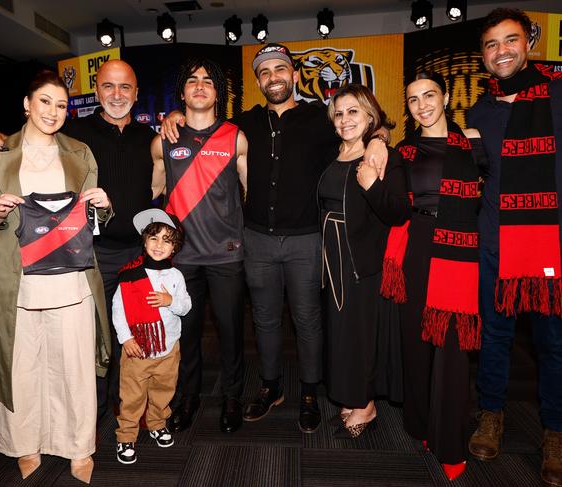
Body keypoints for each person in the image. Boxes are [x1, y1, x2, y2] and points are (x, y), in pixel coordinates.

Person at [161, 43, 389, 433]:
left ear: (294, 75)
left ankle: (308, 392)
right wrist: (177, 114)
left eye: (280, 70)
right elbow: (205, 123)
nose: (273, 78)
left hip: (305, 240)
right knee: (264, 321)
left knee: (307, 320)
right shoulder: (243, 124)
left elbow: (369, 122)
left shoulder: (321, 118)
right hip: (256, 241)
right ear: (258, 81)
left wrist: (380, 138)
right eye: (265, 73)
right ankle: (270, 388)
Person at [0, 59, 159, 420]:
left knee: (135, 330)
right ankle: (96, 411)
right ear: (97, 91)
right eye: (108, 86)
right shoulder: (73, 135)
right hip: (88, 257)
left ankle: (131, 408)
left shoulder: (149, 138)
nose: (116, 94)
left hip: (136, 254)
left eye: (125, 88)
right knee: (90, 341)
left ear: (137, 95)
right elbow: (26, 143)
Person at [467, 9, 562, 487]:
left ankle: (558, 433)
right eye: (491, 44)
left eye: (510, 40)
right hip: (495, 244)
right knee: (493, 338)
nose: (501, 51)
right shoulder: (480, 110)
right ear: (482, 57)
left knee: (555, 344)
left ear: (528, 43)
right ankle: (492, 414)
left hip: (556, 245)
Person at [0, 70, 113, 484]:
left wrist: (103, 206)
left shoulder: (81, 152)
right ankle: (24, 445)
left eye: (61, 104)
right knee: (22, 368)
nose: (53, 111)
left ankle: (78, 447)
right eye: (45, 102)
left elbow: (92, 220)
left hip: (71, 281)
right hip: (18, 282)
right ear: (27, 104)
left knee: (74, 369)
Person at [382, 71, 483, 481]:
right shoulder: (403, 151)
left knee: (454, 344)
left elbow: (495, 190)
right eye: (412, 99)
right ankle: (421, 425)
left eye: (429, 95)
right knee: (416, 341)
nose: (422, 104)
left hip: (459, 245)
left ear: (444, 98)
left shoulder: (472, 140)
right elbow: (391, 205)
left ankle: (450, 441)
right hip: (417, 244)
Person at [151, 58, 248, 434]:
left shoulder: (235, 137)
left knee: (230, 333)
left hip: (227, 255)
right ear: (182, 92)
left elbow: (251, 192)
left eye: (209, 80)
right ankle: (186, 398)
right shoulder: (164, 140)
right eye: (192, 80)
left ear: (217, 92)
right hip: (182, 259)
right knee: (185, 334)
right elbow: (153, 192)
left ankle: (232, 397)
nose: (200, 85)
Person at [319, 84, 410, 439]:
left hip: (362, 261)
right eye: (339, 113)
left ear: (370, 116)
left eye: (353, 111)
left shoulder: (383, 156)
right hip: (331, 258)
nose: (345, 120)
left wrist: (372, 182)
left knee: (360, 335)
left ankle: (366, 404)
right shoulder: (332, 152)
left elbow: (399, 211)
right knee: (339, 332)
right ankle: (350, 394)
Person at [113, 209, 191, 464]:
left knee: (163, 392)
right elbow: (118, 310)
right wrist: (126, 339)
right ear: (144, 241)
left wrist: (170, 301)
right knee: (133, 396)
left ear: (175, 247)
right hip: (138, 349)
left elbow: (185, 307)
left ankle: (158, 424)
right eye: (154, 238)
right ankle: (126, 437)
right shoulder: (130, 275)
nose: (159, 245)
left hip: (168, 348)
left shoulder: (176, 276)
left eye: (167, 240)